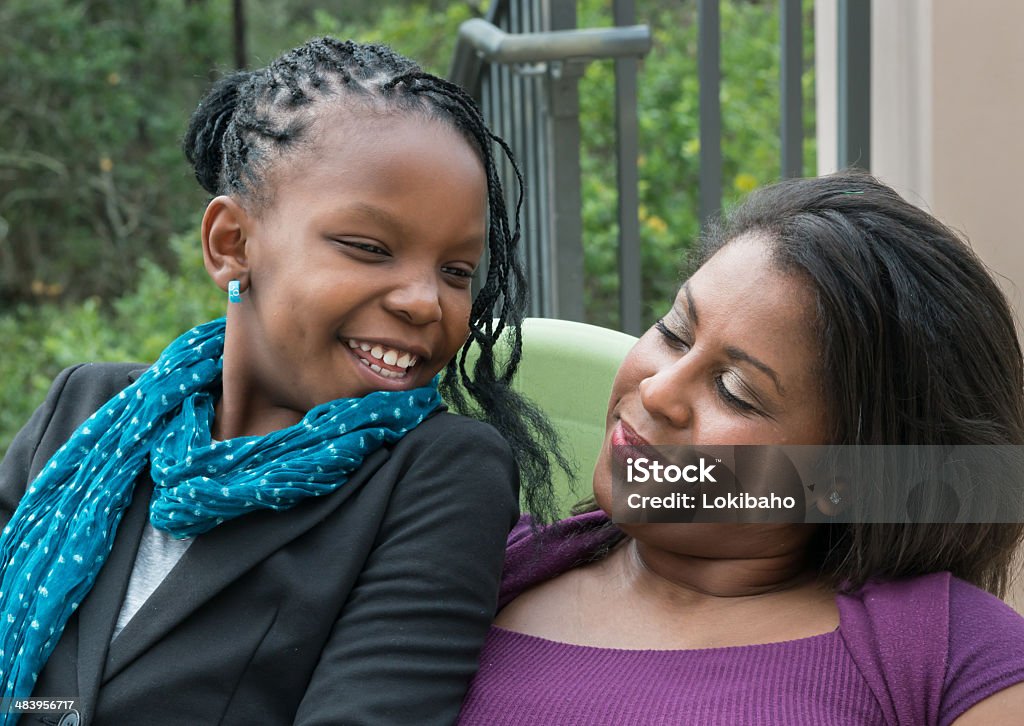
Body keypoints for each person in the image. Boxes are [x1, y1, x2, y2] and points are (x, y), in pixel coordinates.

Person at [0, 37, 563, 725]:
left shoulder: (439, 475)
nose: (424, 301)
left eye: (455, 270)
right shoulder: (86, 411)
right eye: (369, 248)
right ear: (232, 244)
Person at [458, 171, 1024, 725]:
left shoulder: (952, 658)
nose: (659, 391)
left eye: (734, 391)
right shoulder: (472, 563)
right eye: (675, 332)